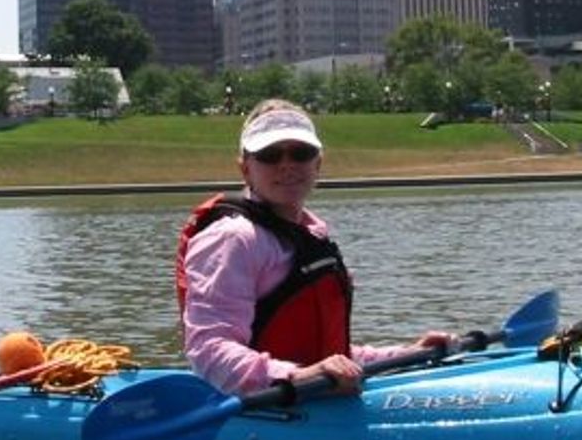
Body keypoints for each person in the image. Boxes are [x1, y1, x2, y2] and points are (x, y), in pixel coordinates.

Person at [176, 98, 454, 396]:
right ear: (245, 169)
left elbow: (329, 355)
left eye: (300, 153)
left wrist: (408, 355)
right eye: (269, 155)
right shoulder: (233, 239)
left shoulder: (311, 236)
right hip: (265, 414)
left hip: (310, 402)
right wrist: (300, 377)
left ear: (317, 163)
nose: (287, 165)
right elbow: (209, 352)